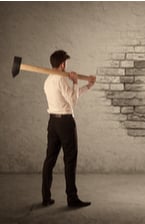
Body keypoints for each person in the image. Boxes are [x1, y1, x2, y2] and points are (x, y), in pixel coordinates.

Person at [42, 50, 96, 207]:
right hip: (65, 123)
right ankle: (72, 199)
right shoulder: (61, 79)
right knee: (70, 160)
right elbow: (72, 100)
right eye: (66, 62)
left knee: (49, 160)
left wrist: (88, 86)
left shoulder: (48, 80)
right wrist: (74, 81)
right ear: (62, 64)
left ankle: (46, 197)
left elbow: (71, 95)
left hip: (52, 123)